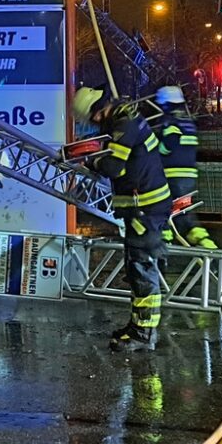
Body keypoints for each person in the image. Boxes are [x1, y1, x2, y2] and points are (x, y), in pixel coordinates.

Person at [72, 87, 171, 352]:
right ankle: (137, 325)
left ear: (98, 110)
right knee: (135, 267)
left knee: (141, 268)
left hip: (144, 207)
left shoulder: (124, 123)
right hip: (142, 206)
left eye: (93, 118)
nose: (95, 124)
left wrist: (89, 162)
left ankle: (144, 333)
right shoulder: (124, 118)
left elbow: (115, 167)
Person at [154, 85, 218, 250]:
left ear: (165, 104)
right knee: (183, 213)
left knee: (162, 210)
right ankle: (206, 245)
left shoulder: (169, 121)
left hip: (172, 176)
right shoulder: (188, 123)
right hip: (188, 177)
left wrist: (156, 153)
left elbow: (170, 142)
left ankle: (163, 248)